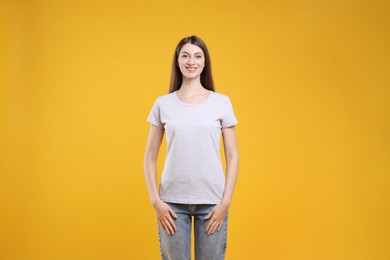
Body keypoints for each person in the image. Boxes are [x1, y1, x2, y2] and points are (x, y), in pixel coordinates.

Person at [143, 35, 239, 260]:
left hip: (212, 203)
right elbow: (149, 157)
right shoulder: (163, 104)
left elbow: (233, 155)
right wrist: (155, 200)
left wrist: (226, 201)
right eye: (185, 55)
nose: (191, 61)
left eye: (198, 56)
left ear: (205, 63)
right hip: (172, 204)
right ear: (177, 61)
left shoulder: (221, 102)